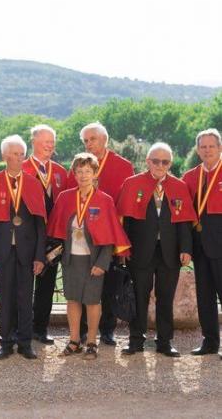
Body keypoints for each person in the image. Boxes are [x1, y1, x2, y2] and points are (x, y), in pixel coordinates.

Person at [48, 153, 130, 360]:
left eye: (88, 171)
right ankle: (74, 341)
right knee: (73, 300)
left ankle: (92, 341)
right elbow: (56, 229)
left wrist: (102, 263)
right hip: (70, 259)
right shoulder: (65, 197)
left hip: (94, 261)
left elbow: (110, 235)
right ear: (74, 174)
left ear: (95, 174)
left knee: (92, 301)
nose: (83, 175)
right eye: (79, 171)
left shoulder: (105, 200)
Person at [118, 142, 195, 357]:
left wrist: (186, 248)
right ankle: (136, 340)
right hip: (140, 251)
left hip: (170, 252)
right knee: (139, 296)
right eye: (156, 161)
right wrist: (124, 250)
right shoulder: (132, 183)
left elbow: (185, 222)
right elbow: (125, 221)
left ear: (170, 163)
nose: (160, 165)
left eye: (165, 161)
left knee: (165, 297)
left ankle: (164, 342)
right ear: (147, 161)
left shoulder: (179, 186)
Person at [66, 122, 134, 346]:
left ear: (104, 139)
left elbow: (125, 205)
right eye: (85, 140)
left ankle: (107, 329)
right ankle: (83, 331)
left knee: (109, 285)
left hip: (109, 236)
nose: (89, 144)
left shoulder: (123, 166)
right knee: (84, 285)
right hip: (82, 239)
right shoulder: (78, 164)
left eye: (92, 139)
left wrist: (120, 243)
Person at [0, 135, 46, 360]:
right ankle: (6, 342)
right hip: (2, 251)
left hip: (28, 252)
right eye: (14, 154)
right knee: (5, 298)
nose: (19, 158)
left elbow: (40, 224)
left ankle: (25, 342)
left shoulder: (33, 183)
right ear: (4, 156)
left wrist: (40, 256)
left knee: (25, 298)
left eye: (21, 154)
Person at [22, 124, 68, 345]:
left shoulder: (60, 171)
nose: (50, 145)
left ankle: (40, 328)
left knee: (47, 285)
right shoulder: (20, 168)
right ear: (34, 142)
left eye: (52, 142)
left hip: (52, 239)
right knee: (22, 283)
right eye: (45, 141)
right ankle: (19, 328)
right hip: (26, 236)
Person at [182, 128, 222, 356]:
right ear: (198, 150)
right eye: (203, 147)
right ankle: (209, 342)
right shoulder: (189, 177)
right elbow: (184, 216)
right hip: (200, 246)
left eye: (211, 146)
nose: (207, 150)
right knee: (204, 296)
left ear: (220, 148)